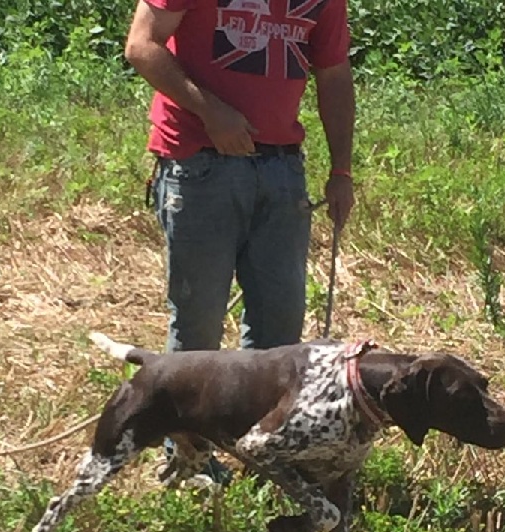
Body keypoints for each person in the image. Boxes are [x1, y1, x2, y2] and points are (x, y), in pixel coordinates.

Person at [125, 0, 355, 481]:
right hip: (199, 164)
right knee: (197, 325)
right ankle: (188, 460)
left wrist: (341, 170)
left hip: (282, 169)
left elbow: (333, 75)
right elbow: (141, 46)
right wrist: (211, 111)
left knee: (279, 326)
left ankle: (258, 453)